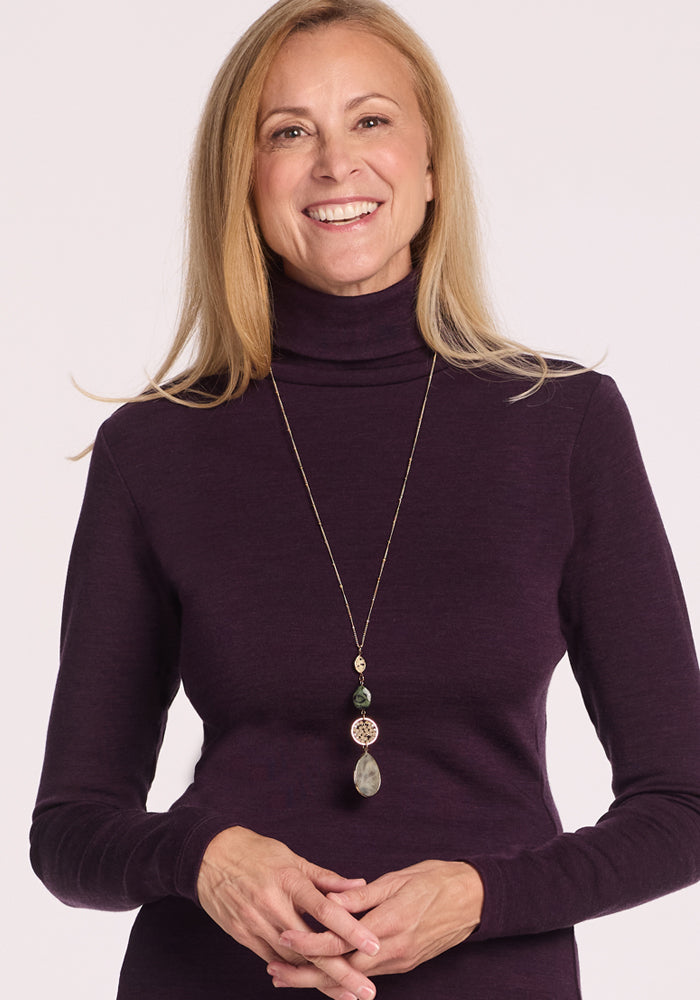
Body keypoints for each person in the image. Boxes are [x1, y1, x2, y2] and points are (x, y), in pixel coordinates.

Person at [30, 0, 700, 997]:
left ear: (432, 167)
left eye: (371, 119)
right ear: (244, 180)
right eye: (288, 130)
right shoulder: (154, 448)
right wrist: (203, 860)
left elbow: (682, 803)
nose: (334, 162)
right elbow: (71, 829)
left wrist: (482, 895)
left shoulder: (564, 424)